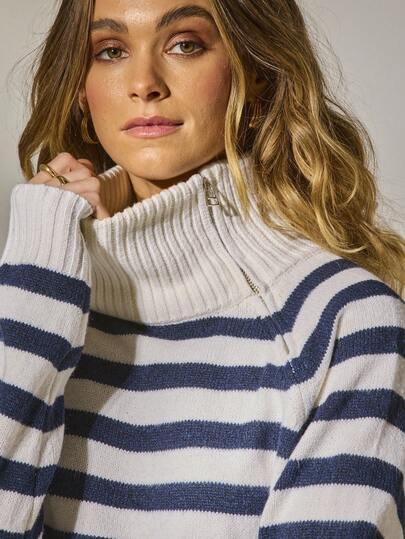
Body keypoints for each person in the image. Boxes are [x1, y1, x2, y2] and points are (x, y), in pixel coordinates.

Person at [0, 0, 404, 537]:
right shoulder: (34, 295)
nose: (144, 84)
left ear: (256, 72)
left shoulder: (346, 322)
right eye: (111, 51)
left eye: (185, 44)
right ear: (79, 87)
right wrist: (36, 272)